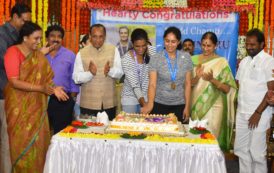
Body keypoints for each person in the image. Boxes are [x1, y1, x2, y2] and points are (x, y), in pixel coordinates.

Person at [4, 21, 68, 172]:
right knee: (21, 145)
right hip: (18, 109)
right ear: (25, 38)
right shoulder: (13, 52)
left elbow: (46, 80)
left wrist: (55, 88)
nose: (39, 42)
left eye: (40, 38)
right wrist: (41, 88)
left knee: (40, 145)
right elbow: (14, 82)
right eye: (36, 38)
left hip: (36, 109)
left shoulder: (37, 56)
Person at [234, 28, 274, 173]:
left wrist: (258, 112)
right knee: (241, 150)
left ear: (262, 44)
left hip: (260, 114)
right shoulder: (244, 61)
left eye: (253, 44)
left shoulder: (268, 61)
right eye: (247, 44)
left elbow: (271, 90)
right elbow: (239, 85)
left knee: (257, 153)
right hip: (242, 113)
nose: (249, 47)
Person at [190, 31, 237, 151]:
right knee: (195, 140)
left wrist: (212, 80)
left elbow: (227, 89)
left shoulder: (221, 62)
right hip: (196, 104)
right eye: (203, 45)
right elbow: (188, 85)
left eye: (209, 45)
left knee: (211, 140)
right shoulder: (193, 60)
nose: (206, 48)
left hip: (215, 106)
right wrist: (196, 77)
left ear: (215, 46)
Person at [0, 3, 31, 173]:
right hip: (3, 94)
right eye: (24, 21)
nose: (26, 25)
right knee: (6, 139)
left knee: (11, 138)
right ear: (14, 17)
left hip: (15, 94)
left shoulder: (20, 35)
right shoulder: (2, 34)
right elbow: (6, 62)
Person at [141, 26, 192, 123]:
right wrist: (150, 104)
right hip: (159, 105)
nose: (170, 44)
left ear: (178, 42)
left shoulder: (186, 57)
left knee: (179, 136)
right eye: (167, 41)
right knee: (158, 136)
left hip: (180, 105)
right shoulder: (156, 58)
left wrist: (187, 107)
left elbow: (188, 84)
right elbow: (152, 84)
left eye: (173, 41)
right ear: (164, 40)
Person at [73, 24, 123, 120]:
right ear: (90, 36)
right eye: (95, 36)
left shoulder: (113, 50)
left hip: (109, 103)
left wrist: (110, 71)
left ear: (105, 37)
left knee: (107, 133)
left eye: (101, 37)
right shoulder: (81, 53)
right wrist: (90, 74)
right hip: (88, 103)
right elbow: (76, 78)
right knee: (88, 133)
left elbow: (120, 73)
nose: (98, 40)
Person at [45, 25, 79, 134]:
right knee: (42, 133)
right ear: (46, 38)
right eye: (52, 36)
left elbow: (74, 78)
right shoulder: (40, 54)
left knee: (61, 134)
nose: (56, 39)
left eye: (59, 37)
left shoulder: (70, 55)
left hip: (63, 100)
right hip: (42, 98)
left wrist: (71, 99)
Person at [121, 28, 156, 113]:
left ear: (147, 42)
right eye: (137, 46)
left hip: (148, 98)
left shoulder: (153, 51)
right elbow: (135, 86)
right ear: (132, 44)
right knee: (131, 125)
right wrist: (145, 106)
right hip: (130, 99)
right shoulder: (126, 59)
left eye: (144, 45)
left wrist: (149, 103)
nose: (141, 49)